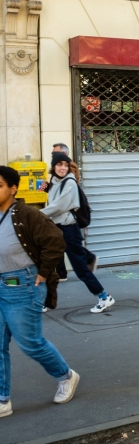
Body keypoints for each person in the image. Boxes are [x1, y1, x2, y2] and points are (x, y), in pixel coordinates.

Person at [0, 166, 79, 417]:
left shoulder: (26, 214)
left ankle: (66, 376)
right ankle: (2, 400)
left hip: (21, 286)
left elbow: (55, 241)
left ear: (13, 189)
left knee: (30, 342)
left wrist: (43, 273)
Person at [41, 153, 115, 314]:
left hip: (68, 229)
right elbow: (53, 202)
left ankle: (104, 296)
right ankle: (44, 301)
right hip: (55, 229)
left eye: (65, 165)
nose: (63, 168)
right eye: (59, 164)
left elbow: (59, 206)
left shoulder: (70, 183)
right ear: (53, 166)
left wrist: (37, 215)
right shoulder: (54, 181)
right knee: (45, 264)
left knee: (80, 268)